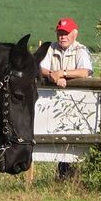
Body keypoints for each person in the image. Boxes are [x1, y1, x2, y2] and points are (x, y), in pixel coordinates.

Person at [39, 17, 93, 179]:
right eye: (60, 33)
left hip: (79, 103)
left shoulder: (80, 50)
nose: (62, 36)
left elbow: (86, 71)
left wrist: (63, 73)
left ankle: (74, 175)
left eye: (66, 33)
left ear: (75, 34)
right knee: (55, 135)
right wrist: (51, 76)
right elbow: (40, 66)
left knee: (77, 137)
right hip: (53, 104)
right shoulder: (50, 48)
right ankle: (63, 175)